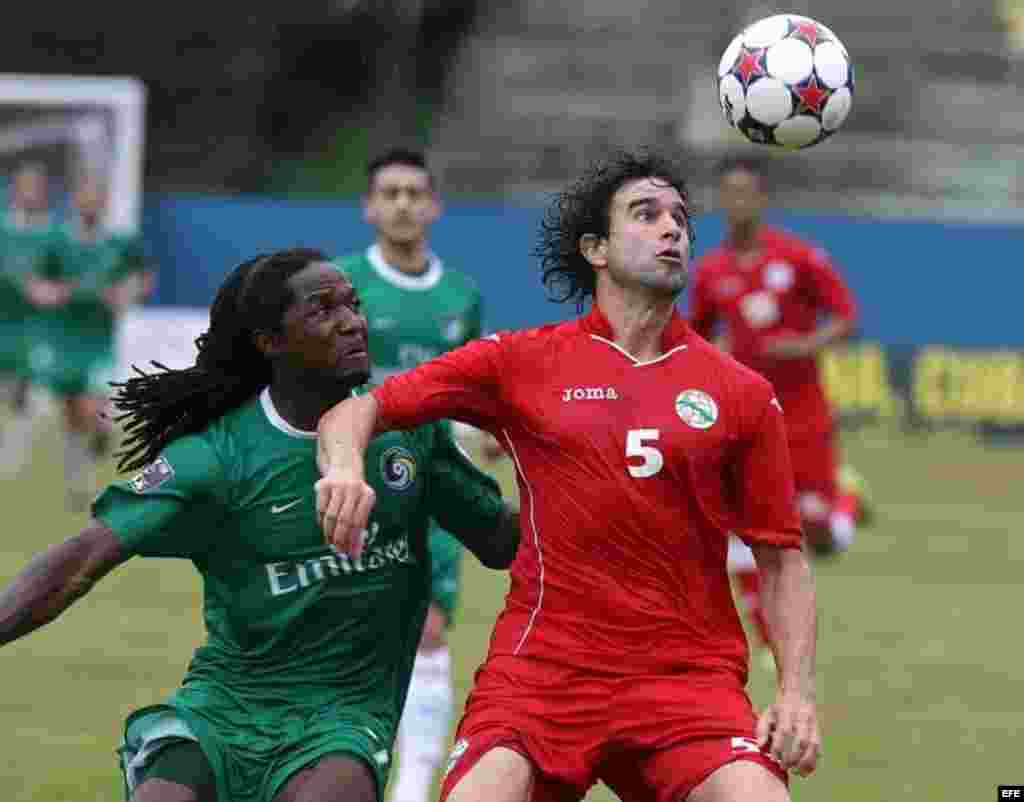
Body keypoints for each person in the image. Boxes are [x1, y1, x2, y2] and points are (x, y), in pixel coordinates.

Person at [316, 151, 821, 802]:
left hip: (688, 680)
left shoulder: (742, 393)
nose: (673, 229)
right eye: (646, 214)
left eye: (681, 218)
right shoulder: (523, 362)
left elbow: (782, 561)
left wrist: (796, 693)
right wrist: (347, 468)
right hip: (543, 672)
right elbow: (359, 410)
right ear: (596, 248)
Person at [0, 248, 520, 802]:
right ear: (269, 341)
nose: (353, 322)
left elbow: (500, 540)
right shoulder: (217, 457)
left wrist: (556, 451)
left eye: (354, 304)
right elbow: (81, 561)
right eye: (323, 311)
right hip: (224, 709)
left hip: (342, 719)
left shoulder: (408, 435)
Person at [333, 148, 484, 802]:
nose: (401, 204)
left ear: (433, 206)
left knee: (426, 627)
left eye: (413, 193)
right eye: (388, 192)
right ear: (369, 206)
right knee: (338, 631)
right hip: (344, 483)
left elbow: (472, 394)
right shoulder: (336, 285)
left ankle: (414, 787)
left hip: (430, 488)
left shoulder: (461, 297)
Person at [688, 157, 860, 652]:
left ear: (762, 198)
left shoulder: (800, 258)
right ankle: (767, 638)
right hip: (745, 417)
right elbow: (697, 337)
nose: (736, 202)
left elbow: (846, 317)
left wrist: (803, 345)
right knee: (742, 526)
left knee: (820, 536)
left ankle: (846, 500)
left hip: (803, 412)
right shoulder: (712, 271)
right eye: (728, 193)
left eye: (746, 192)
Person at [27, 172, 153, 510]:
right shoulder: (57, 240)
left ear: (104, 203)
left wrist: (126, 293)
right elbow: (36, 281)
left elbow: (143, 279)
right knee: (69, 411)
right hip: (63, 337)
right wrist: (49, 293)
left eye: (95, 198)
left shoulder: (119, 243)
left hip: (99, 340)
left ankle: (101, 432)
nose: (89, 204)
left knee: (91, 405)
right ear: (75, 202)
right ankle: (76, 481)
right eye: (84, 197)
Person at [0, 163, 59, 476]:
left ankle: (11, 458)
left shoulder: (53, 232)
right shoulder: (3, 226)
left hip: (31, 326)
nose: (30, 194)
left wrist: (52, 290)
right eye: (24, 187)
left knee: (23, 391)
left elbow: (62, 275)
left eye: (36, 188)